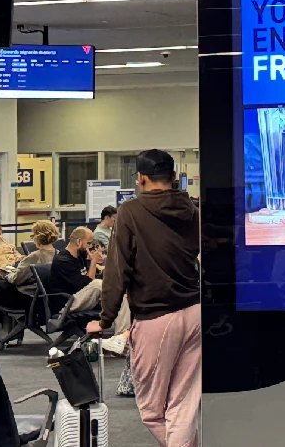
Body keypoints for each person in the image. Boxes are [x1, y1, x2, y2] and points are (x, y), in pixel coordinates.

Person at [88, 149, 200, 447]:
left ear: (140, 178)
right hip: (195, 311)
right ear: (174, 176)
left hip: (155, 317)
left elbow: (117, 269)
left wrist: (105, 320)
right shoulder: (192, 210)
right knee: (183, 404)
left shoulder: (130, 212)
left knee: (152, 410)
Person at [0, 220, 60, 324]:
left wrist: (5, 274)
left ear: (37, 237)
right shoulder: (58, 255)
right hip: (48, 299)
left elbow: (16, 280)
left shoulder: (34, 257)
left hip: (30, 299)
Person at [53, 227, 131, 351]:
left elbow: (91, 279)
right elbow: (86, 284)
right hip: (66, 303)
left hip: (84, 299)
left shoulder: (80, 256)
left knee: (120, 296)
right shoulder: (63, 261)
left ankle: (121, 339)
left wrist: (97, 262)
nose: (90, 247)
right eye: (88, 243)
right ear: (79, 242)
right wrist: (93, 262)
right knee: (98, 284)